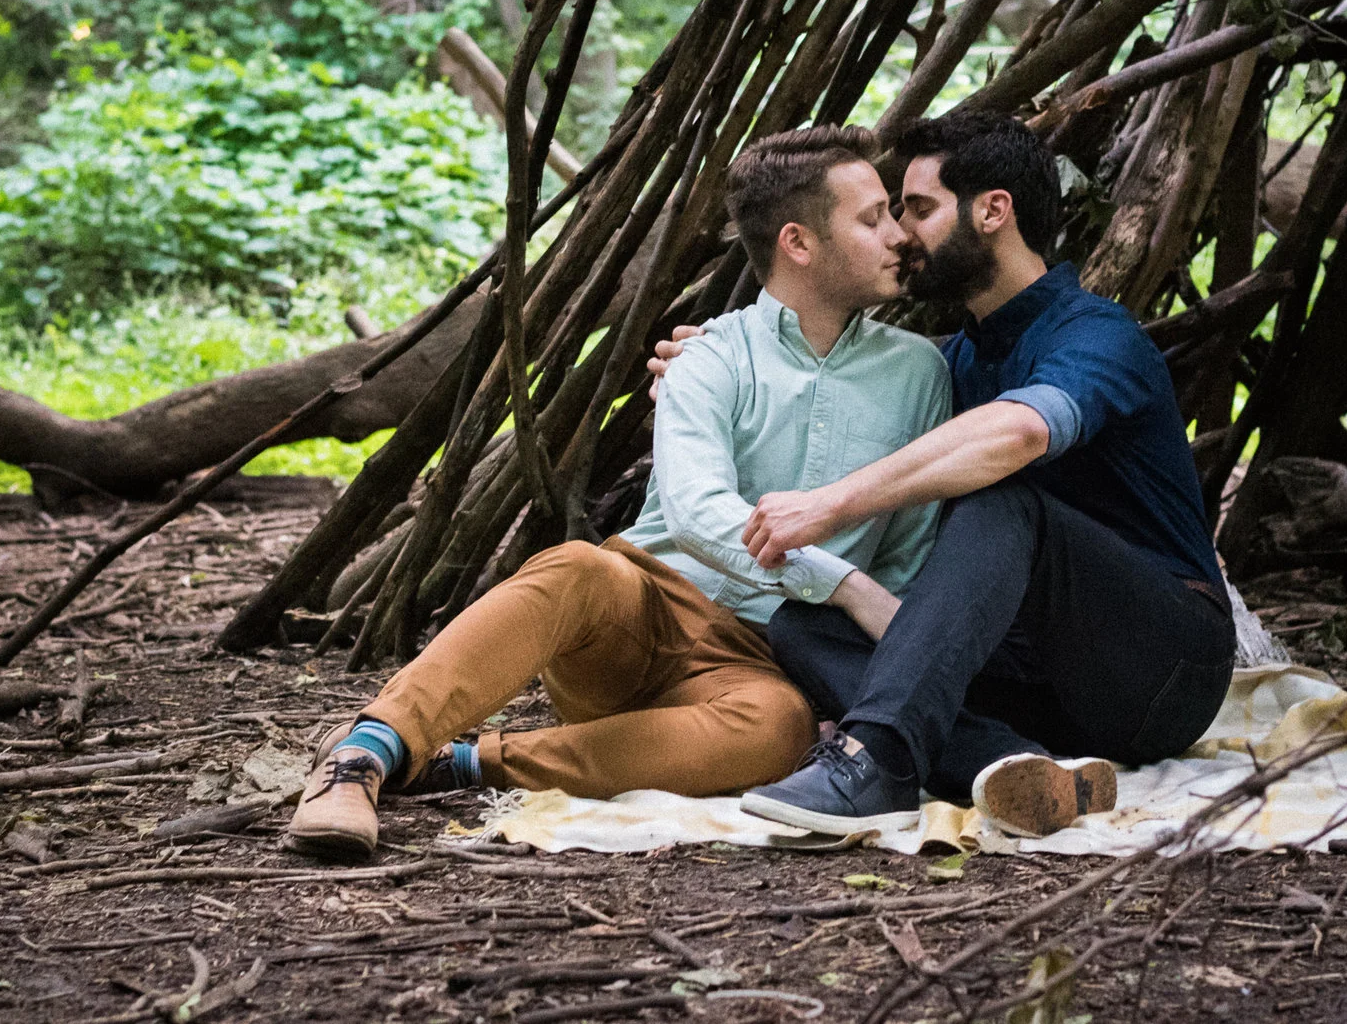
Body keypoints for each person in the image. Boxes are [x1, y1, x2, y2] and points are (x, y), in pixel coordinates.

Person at [288, 124, 955, 861]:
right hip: (642, 606)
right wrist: (843, 582)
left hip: (757, 667)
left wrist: (852, 687)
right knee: (576, 567)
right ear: (798, 242)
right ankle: (364, 752)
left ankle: (472, 760)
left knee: (777, 729)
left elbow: (906, 554)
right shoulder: (709, 357)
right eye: (871, 218)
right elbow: (701, 516)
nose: (898, 234)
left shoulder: (920, 375)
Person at [647, 109, 1233, 839]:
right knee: (806, 624)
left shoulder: (1097, 335)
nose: (899, 233)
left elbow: (1018, 432)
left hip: (1162, 665)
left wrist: (829, 504)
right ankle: (1023, 767)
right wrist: (713, 355)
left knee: (1004, 501)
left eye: (918, 208)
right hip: (1038, 678)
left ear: (993, 211)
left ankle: (878, 762)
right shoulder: (951, 362)